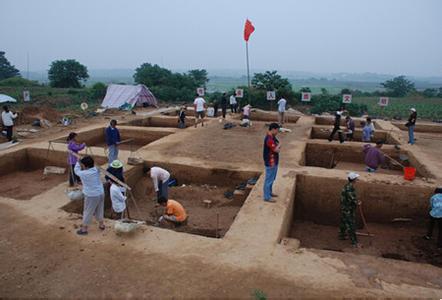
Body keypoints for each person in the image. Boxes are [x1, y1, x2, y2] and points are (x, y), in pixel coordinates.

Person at [74, 156, 105, 235]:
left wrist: (78, 162)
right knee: (100, 209)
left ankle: (84, 229)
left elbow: (76, 170)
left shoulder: (84, 173)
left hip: (92, 195)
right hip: (101, 192)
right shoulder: (96, 169)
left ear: (85, 166)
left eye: (83, 165)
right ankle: (101, 224)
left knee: (88, 211)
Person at [339, 172, 361, 247]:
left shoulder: (347, 186)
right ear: (354, 179)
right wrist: (358, 202)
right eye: (356, 178)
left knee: (344, 221)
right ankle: (354, 243)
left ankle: (341, 235)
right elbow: (352, 198)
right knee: (351, 225)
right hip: (348, 209)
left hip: (345, 208)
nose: (357, 179)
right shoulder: (349, 188)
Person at [263, 123, 281, 203]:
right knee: (269, 179)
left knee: (272, 178)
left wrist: (278, 146)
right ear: (273, 129)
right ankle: (267, 197)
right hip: (270, 161)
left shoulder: (272, 137)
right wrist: (279, 145)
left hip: (274, 161)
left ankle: (269, 193)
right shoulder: (269, 139)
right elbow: (276, 149)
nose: (277, 132)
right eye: (277, 130)